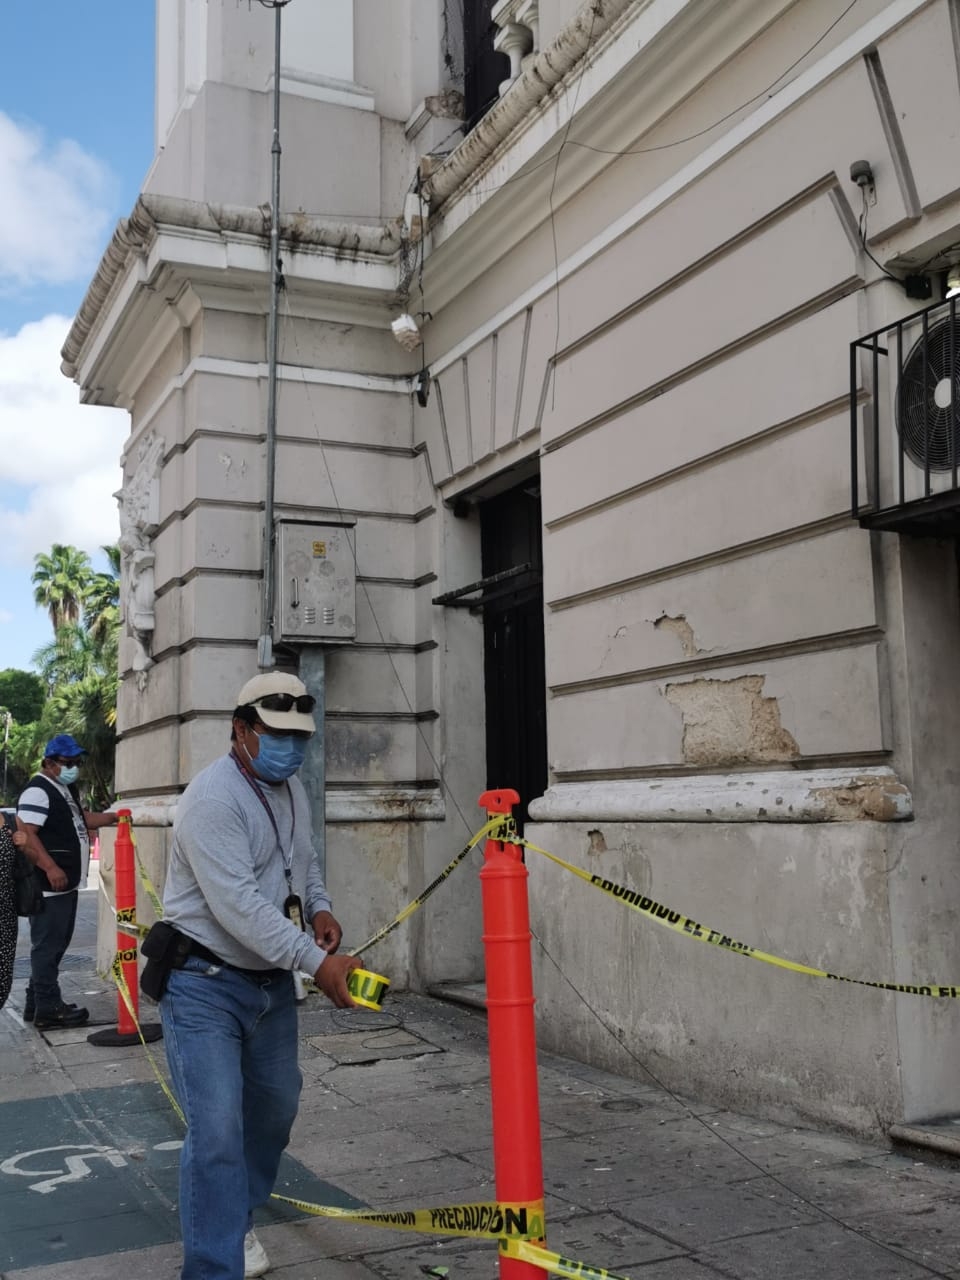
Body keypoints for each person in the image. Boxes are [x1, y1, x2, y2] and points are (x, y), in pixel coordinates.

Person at [157, 671, 360, 1280]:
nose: (292, 749)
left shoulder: (290, 787)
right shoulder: (212, 800)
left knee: (275, 1112)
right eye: (277, 735)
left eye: (300, 738)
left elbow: (302, 860)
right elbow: (239, 906)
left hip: (269, 984)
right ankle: (213, 1265)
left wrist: (318, 906)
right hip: (202, 984)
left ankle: (233, 1218)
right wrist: (318, 963)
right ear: (241, 730)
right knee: (217, 1129)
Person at [17, 734, 119, 1029]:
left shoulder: (63, 788)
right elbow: (26, 833)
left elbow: (83, 819)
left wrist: (114, 817)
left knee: (56, 944)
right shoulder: (38, 791)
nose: (74, 767)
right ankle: (49, 1009)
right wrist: (50, 867)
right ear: (49, 763)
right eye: (68, 762)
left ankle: (36, 1003)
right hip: (50, 885)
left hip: (65, 882)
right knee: (48, 947)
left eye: (77, 762)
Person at [0, 812, 31, 1011]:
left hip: (5, 914)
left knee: (2, 982)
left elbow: (33, 861)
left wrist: (25, 846)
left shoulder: (11, 821)